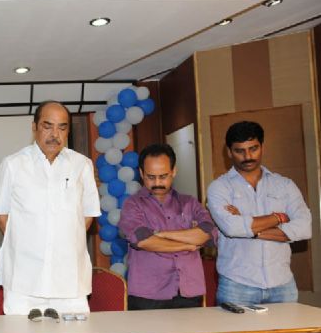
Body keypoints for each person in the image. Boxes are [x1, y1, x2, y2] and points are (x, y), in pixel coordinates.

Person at [0, 101, 100, 315]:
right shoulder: (13, 164)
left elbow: (87, 215)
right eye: (47, 126)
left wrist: (63, 241)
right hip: (24, 280)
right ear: (34, 127)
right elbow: (2, 214)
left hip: (69, 280)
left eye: (62, 127)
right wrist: (27, 244)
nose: (54, 134)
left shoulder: (82, 165)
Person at [207, 120, 311, 305]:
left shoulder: (285, 185)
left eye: (253, 148)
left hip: (282, 284)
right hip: (236, 285)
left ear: (262, 147)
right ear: (229, 152)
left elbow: (304, 228)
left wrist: (247, 227)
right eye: (239, 151)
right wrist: (279, 217)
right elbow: (232, 228)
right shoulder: (219, 187)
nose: (248, 156)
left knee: (288, 328)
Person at [118, 144, 216, 310]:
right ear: (141, 173)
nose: (157, 183)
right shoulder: (132, 205)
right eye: (151, 177)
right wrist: (187, 244)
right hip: (148, 295)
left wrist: (160, 234)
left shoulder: (190, 203)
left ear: (173, 171)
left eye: (163, 176)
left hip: (189, 290)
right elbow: (143, 241)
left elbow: (207, 233)